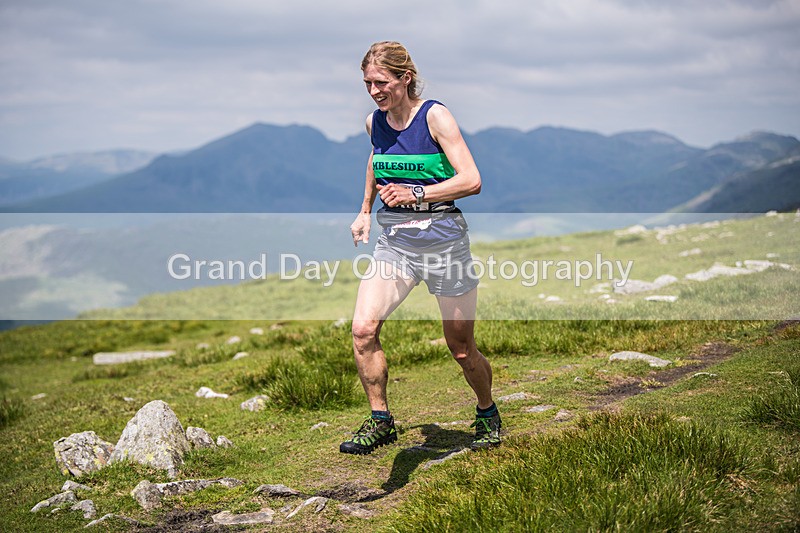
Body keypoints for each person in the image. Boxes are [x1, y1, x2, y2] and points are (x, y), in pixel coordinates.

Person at [340, 41, 501, 455]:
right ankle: (381, 421)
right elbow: (376, 164)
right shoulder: (374, 123)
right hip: (396, 244)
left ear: (404, 78)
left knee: (462, 348)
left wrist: (417, 193)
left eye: (381, 82)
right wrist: (364, 210)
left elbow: (472, 180)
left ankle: (486, 411)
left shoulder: (435, 116)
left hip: (445, 241)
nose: (374, 91)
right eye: (367, 83)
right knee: (362, 330)